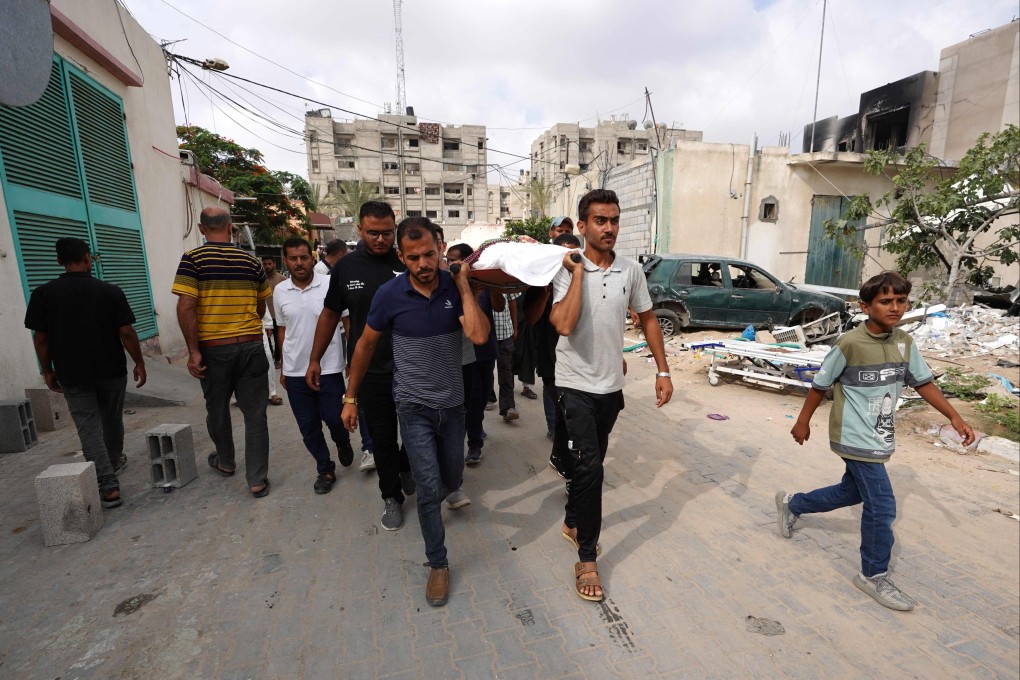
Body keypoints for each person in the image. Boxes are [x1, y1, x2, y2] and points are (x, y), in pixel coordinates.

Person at [777, 271, 975, 611]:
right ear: (865, 306)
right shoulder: (850, 344)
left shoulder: (903, 343)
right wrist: (802, 422)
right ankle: (872, 575)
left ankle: (794, 505)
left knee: (850, 492)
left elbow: (923, 382)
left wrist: (953, 416)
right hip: (853, 436)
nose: (895, 307)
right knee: (882, 506)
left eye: (901, 301)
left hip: (880, 435)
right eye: (886, 301)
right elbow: (820, 385)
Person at [341, 217, 490, 607]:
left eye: (429, 254)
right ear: (401, 257)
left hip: (453, 407)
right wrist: (350, 397)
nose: (423, 264)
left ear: (440, 248)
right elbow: (363, 347)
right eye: (413, 257)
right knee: (428, 488)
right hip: (413, 408)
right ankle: (438, 563)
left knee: (452, 476)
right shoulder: (389, 295)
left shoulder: (455, 288)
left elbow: (477, 335)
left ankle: (426, 496)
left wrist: (461, 283)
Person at [550, 189, 673, 602]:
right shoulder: (565, 268)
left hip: (610, 386)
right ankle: (587, 557)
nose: (609, 228)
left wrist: (663, 369)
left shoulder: (631, 271)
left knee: (592, 463)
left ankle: (571, 521)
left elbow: (649, 319)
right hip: (573, 382)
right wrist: (580, 272)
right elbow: (563, 325)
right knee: (591, 469)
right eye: (600, 221)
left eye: (614, 220)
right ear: (582, 226)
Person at [307, 201, 415, 530]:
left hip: (412, 368)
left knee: (415, 432)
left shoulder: (408, 261)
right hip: (369, 371)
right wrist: (314, 358)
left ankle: (407, 464)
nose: (381, 239)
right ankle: (391, 497)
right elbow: (329, 315)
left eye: (386, 233)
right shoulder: (346, 268)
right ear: (359, 229)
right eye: (373, 233)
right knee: (381, 438)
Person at [24, 238, 147, 509]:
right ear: (87, 258)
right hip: (112, 370)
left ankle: (108, 484)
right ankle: (112, 464)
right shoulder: (110, 291)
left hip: (72, 371)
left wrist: (47, 370)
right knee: (112, 419)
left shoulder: (44, 294)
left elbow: (41, 339)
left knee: (88, 425)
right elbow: (126, 332)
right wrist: (139, 362)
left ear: (59, 261)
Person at [174, 207, 272, 498]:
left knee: (216, 409)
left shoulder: (193, 260)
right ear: (231, 228)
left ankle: (226, 461)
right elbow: (261, 306)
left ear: (202, 230)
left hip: (215, 349)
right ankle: (256, 479)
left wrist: (193, 351)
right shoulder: (251, 261)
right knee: (255, 415)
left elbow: (185, 305)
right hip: (251, 347)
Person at [275, 237, 355, 494]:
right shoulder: (280, 291)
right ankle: (325, 469)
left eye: (303, 257)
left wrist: (352, 359)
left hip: (329, 366)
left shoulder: (330, 284)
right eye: (293, 258)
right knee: (308, 426)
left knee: (334, 418)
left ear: (312, 258)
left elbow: (347, 323)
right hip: (296, 370)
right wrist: (285, 367)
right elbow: (282, 330)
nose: (299, 263)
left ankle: (342, 442)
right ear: (286, 261)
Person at [493, 291, 521, 423]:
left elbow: (512, 301)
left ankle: (508, 407)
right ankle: (487, 399)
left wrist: (515, 327)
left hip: (505, 334)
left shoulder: (504, 274)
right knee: (483, 373)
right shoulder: (478, 273)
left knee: (506, 372)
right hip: (484, 334)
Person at [261, 254, 287, 364]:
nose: (267, 266)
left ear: (274, 264)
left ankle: (278, 359)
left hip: (278, 315)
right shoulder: (260, 279)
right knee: (267, 339)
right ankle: (271, 358)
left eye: (269, 264)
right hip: (266, 315)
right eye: (265, 264)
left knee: (278, 338)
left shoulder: (282, 279)